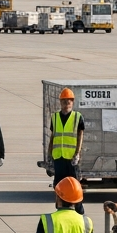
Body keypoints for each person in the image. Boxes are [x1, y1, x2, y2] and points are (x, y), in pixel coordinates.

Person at [49, 87, 86, 216]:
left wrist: (77, 153)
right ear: (60, 102)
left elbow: (80, 135)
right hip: (58, 156)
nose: (66, 104)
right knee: (58, 184)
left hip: (71, 158)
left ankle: (79, 210)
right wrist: (49, 153)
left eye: (69, 101)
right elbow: (53, 136)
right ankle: (60, 207)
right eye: (64, 101)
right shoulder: (55, 117)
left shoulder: (77, 117)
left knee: (74, 185)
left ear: (72, 102)